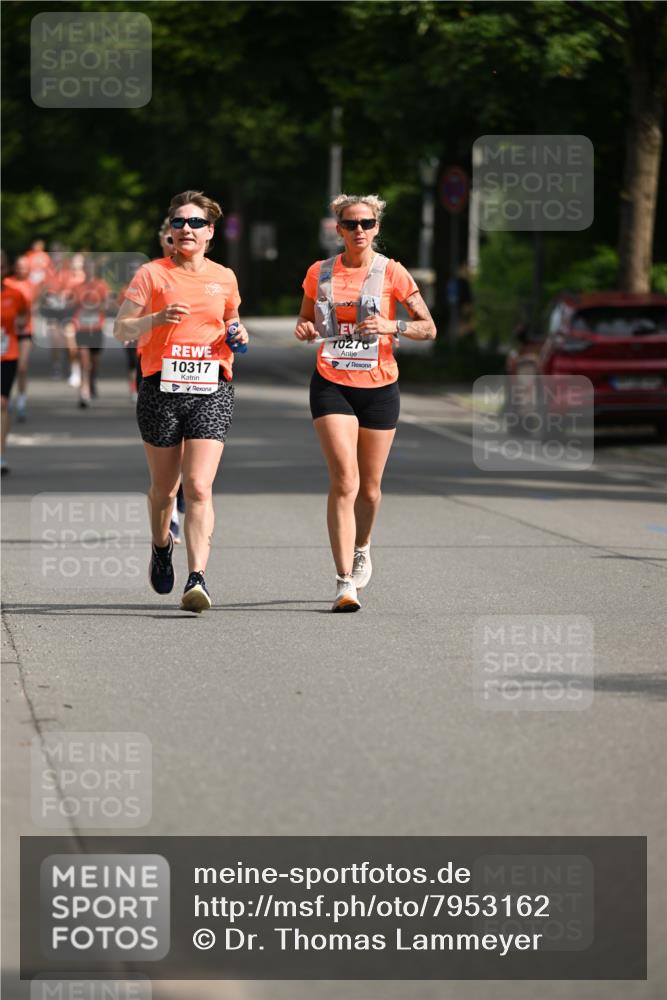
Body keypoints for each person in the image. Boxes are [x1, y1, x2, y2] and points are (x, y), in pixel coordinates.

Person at [295, 193, 436, 612]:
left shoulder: (392, 272)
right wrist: (304, 329)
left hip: (379, 385)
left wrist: (393, 324)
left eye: (367, 223)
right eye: (351, 223)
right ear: (337, 229)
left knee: (370, 491)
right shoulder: (319, 273)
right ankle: (343, 583)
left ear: (377, 228)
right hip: (331, 382)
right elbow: (304, 319)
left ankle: (362, 546)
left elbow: (428, 328)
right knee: (345, 481)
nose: (360, 230)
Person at [113, 190, 248, 612]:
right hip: (160, 389)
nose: (185, 230)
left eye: (194, 224)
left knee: (200, 486)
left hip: (212, 387)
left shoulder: (224, 276)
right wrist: (156, 319)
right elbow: (121, 330)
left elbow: (232, 321)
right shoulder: (151, 275)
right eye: (178, 223)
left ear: (210, 232)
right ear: (170, 231)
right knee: (164, 489)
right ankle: (160, 546)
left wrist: (239, 334)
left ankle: (198, 578)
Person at [1, 251, 30, 474]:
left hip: (6, 353)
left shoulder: (15, 294)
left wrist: (18, 325)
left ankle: (1, 454)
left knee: (1, 403)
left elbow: (24, 314)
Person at [69, 256, 111, 408]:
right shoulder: (77, 287)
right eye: (85, 268)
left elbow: (107, 305)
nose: (88, 270)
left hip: (96, 328)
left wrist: (95, 306)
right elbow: (71, 304)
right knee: (84, 360)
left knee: (94, 362)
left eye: (90, 268)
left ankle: (92, 381)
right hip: (82, 328)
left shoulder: (101, 286)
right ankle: (83, 392)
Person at [4, 255, 33, 422]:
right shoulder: (8, 283)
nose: (21, 269)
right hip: (6, 333)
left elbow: (27, 310)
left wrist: (21, 321)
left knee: (22, 367)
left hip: (25, 332)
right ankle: (5, 396)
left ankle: (21, 401)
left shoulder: (31, 285)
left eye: (24, 266)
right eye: (19, 265)